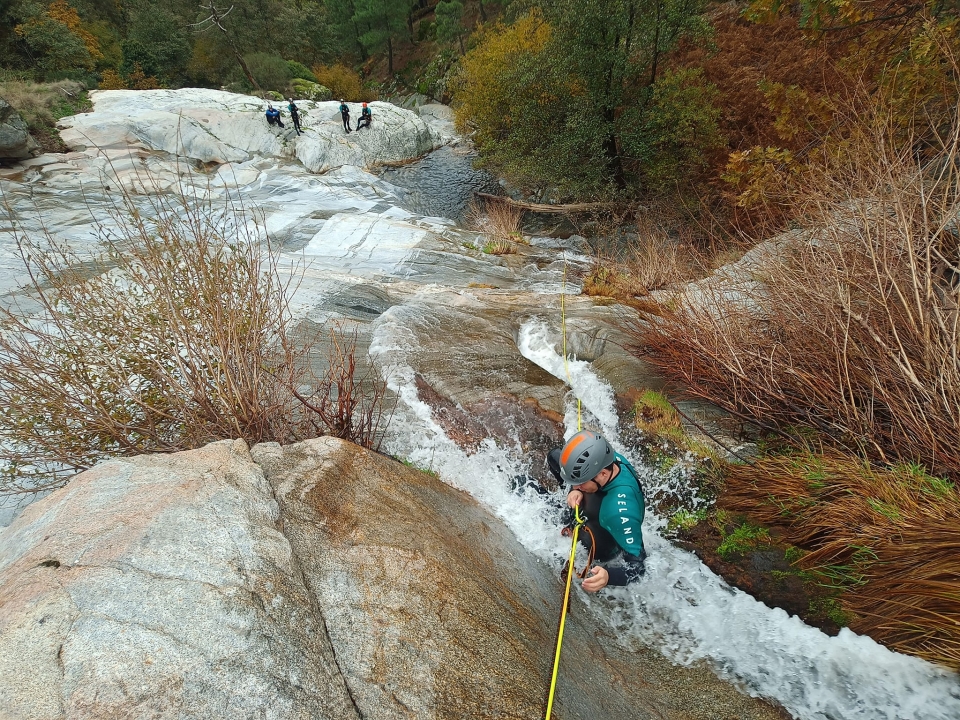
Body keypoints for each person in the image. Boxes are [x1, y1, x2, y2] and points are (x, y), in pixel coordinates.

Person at [548, 429, 646, 593]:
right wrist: (573, 489)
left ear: (602, 474)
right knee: (548, 461)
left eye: (581, 482)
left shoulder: (620, 512)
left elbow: (638, 567)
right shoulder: (606, 459)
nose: (579, 486)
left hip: (597, 545)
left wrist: (608, 576)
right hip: (588, 512)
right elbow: (557, 459)